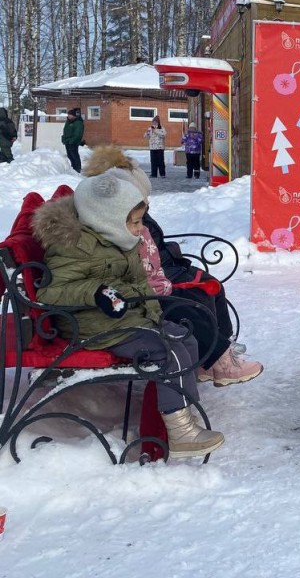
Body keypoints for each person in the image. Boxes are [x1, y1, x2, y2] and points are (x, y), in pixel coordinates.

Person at [32, 168, 225, 458]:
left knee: (185, 339)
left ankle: (184, 420)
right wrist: (95, 293)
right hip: (92, 326)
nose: (139, 229)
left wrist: (154, 315)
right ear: (106, 220)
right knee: (169, 350)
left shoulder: (119, 241)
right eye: (134, 223)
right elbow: (51, 292)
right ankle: (180, 431)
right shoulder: (75, 247)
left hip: (128, 317)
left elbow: (136, 283)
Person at [82, 145, 263, 386]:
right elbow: (119, 269)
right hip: (147, 286)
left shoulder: (131, 220)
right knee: (191, 301)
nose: (145, 205)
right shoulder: (113, 228)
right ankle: (217, 357)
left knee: (209, 286)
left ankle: (220, 348)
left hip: (158, 273)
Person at [61, 107, 84, 173]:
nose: (68, 116)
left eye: (70, 115)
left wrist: (71, 141)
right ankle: (73, 168)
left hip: (73, 142)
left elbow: (78, 134)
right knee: (69, 155)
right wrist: (63, 138)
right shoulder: (68, 122)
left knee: (74, 155)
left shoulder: (78, 123)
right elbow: (65, 131)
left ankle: (77, 169)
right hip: (67, 142)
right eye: (68, 114)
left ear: (73, 115)